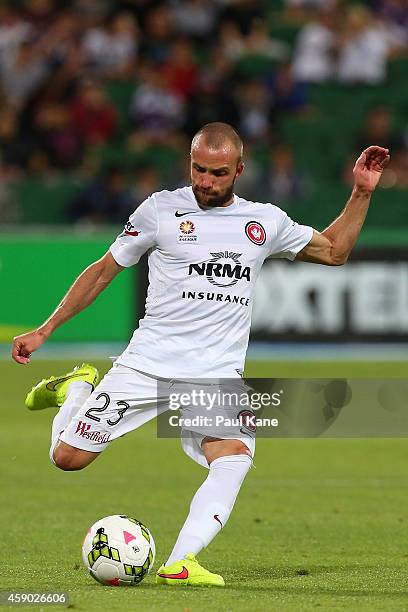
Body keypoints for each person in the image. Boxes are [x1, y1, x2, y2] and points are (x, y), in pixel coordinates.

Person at [12, 122, 389, 587]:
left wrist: (361, 192)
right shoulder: (159, 210)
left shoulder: (264, 222)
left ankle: (180, 562)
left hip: (215, 373)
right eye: (198, 169)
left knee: (233, 457)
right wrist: (47, 329)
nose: (205, 181)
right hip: (147, 362)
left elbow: (333, 252)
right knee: (66, 458)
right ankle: (75, 390)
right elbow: (104, 271)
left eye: (217, 173)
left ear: (239, 170)